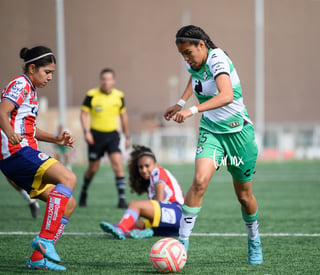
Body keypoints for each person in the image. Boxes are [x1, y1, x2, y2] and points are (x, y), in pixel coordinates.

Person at [163, 25, 263, 265]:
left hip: (239, 135)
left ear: (202, 45)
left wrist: (191, 110)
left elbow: (226, 95)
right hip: (211, 133)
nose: (186, 59)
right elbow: (194, 77)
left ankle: (254, 239)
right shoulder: (195, 62)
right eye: (182, 54)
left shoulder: (218, 59)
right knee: (199, 182)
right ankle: (182, 243)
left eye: (188, 52)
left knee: (244, 196)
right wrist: (180, 102)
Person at [0, 46, 77, 271]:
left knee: (68, 204)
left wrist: (56, 139)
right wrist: (9, 133)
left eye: (52, 73)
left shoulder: (31, 90)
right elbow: (2, 112)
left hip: (22, 154)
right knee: (68, 178)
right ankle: (44, 239)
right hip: (16, 153)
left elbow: (29, 129)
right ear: (32, 68)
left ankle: (37, 258)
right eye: (47, 72)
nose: (50, 77)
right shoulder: (21, 84)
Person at [99, 145, 184, 240]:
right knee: (134, 223)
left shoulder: (158, 171)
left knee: (134, 205)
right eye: (141, 167)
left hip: (177, 211)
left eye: (147, 166)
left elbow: (159, 201)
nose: (143, 170)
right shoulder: (150, 186)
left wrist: (140, 210)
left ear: (155, 165)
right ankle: (149, 231)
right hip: (176, 225)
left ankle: (120, 228)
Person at [79, 68, 130, 208]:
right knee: (93, 169)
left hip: (113, 135)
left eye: (109, 79)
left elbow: (123, 117)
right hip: (95, 136)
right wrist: (86, 132)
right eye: (104, 79)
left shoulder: (119, 96)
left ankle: (121, 199)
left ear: (113, 81)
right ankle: (83, 193)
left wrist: (127, 136)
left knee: (118, 165)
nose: (106, 82)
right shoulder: (91, 95)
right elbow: (83, 114)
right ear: (101, 80)